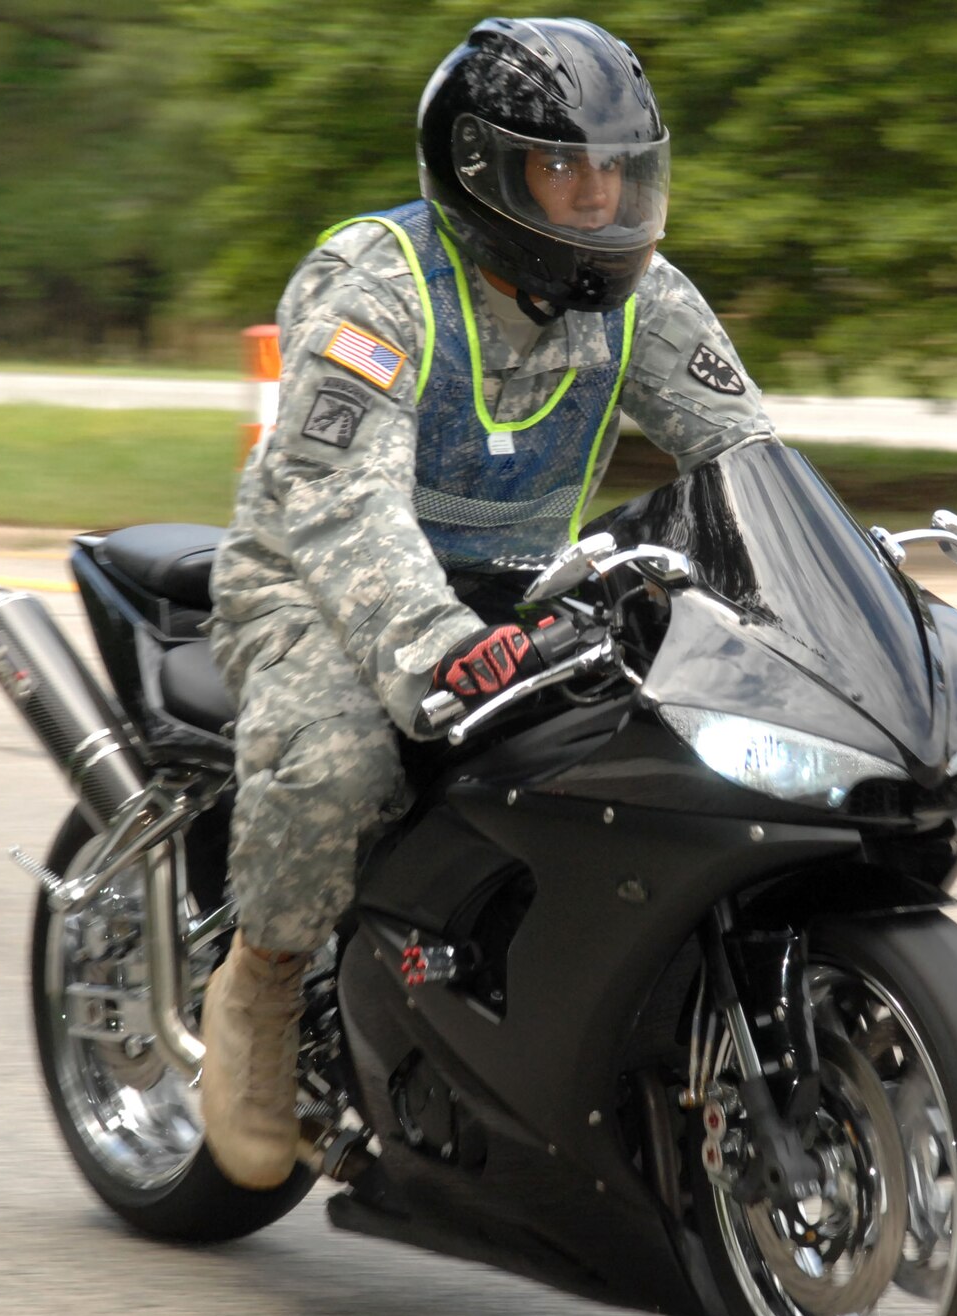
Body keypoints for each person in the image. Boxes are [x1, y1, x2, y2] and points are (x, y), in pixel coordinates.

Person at [200, 16, 775, 1189]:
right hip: (315, 582)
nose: (600, 197)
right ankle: (261, 984)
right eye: (565, 169)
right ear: (482, 173)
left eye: (618, 170)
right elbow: (340, 503)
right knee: (337, 761)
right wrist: (433, 644)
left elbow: (748, 458)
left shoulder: (644, 299)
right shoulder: (377, 285)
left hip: (515, 594)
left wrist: (836, 588)